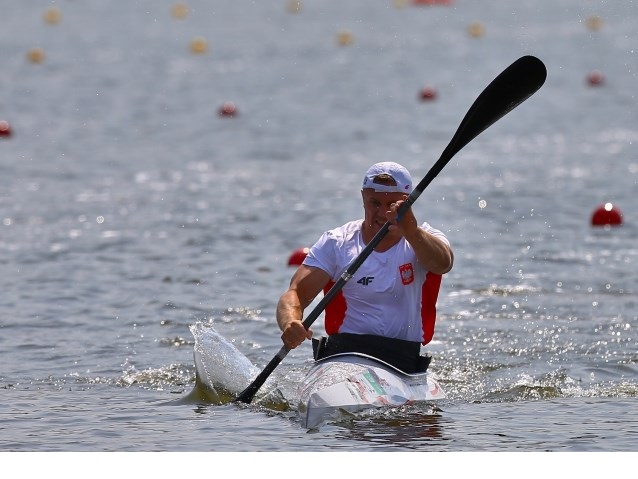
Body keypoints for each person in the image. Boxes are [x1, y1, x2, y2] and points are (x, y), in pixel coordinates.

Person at [276, 161, 454, 373]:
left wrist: (412, 232)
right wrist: (290, 322)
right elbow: (295, 293)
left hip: (402, 363)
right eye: (375, 203)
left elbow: (444, 263)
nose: (383, 213)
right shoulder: (337, 242)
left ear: (408, 204)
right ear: (363, 198)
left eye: (393, 205)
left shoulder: (424, 239)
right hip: (341, 356)